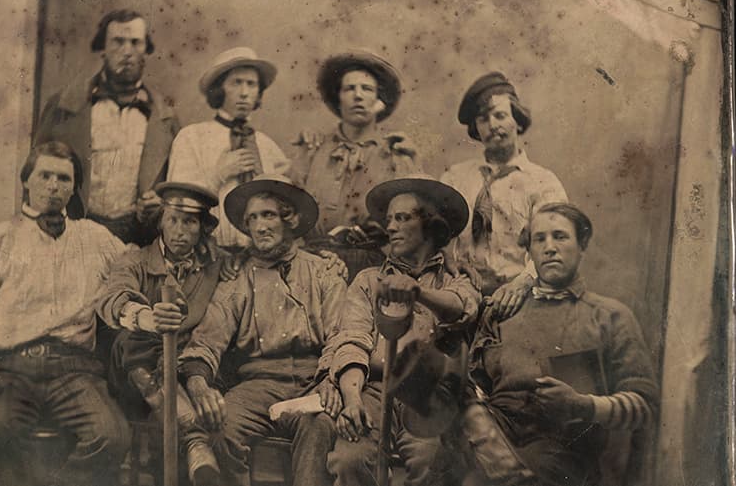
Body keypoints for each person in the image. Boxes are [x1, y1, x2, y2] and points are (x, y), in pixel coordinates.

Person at [0, 141, 129, 486]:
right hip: (10, 369)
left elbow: (135, 268)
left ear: (74, 188)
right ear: (26, 181)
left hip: (75, 372)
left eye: (64, 178)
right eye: (45, 175)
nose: (53, 185)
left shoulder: (94, 238)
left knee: (113, 437)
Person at [463, 203, 658, 486]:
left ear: (582, 245)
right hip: (490, 441)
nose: (550, 247)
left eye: (560, 236)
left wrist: (584, 405)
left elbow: (645, 407)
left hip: (561, 453)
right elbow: (474, 387)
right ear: (528, 250)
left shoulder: (608, 316)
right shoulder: (502, 311)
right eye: (539, 239)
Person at [178, 174, 345, 486]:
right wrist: (200, 386)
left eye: (268, 214)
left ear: (290, 219)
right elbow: (207, 339)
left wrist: (331, 381)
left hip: (314, 382)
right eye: (252, 218)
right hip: (259, 385)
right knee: (219, 428)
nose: (260, 226)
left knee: (319, 428)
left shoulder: (323, 271)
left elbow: (341, 334)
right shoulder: (238, 277)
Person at [324, 175, 481, 486]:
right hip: (372, 390)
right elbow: (352, 341)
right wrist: (352, 400)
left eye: (402, 218)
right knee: (349, 460)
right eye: (389, 219)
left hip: (429, 395)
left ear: (430, 226)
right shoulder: (369, 281)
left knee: (430, 460)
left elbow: (461, 307)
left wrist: (417, 292)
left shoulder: (456, 280)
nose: (390, 227)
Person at [95, 181, 226, 485]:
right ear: (160, 223)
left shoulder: (216, 264)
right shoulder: (135, 261)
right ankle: (195, 440)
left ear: (203, 228)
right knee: (132, 340)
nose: (180, 230)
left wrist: (327, 259)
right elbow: (112, 297)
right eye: (173, 219)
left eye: (190, 221)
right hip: (133, 378)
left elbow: (259, 259)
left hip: (186, 372)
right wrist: (145, 317)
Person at [34, 9, 180, 246]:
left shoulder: (165, 119)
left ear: (146, 50)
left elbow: (176, 194)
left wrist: (157, 208)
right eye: (118, 42)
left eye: (135, 43)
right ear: (102, 48)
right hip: (72, 236)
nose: (127, 52)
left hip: (137, 242)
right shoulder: (64, 108)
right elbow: (34, 176)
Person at [440, 71, 567, 318]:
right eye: (483, 119)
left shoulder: (542, 182)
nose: (493, 125)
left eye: (500, 115)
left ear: (517, 121)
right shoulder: (455, 177)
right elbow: (433, 235)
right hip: (460, 293)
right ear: (476, 129)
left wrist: (523, 283)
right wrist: (448, 261)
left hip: (519, 295)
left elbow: (554, 245)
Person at [288, 50, 421, 280]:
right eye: (349, 89)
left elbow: (413, 223)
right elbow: (289, 209)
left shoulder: (395, 154)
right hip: (310, 263)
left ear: (379, 101)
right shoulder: (314, 148)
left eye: (367, 89)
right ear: (338, 97)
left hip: (370, 268)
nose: (358, 96)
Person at [167, 47, 289, 251]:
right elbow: (176, 205)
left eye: (251, 84)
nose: (244, 93)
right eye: (236, 83)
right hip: (207, 253)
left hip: (259, 256)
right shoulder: (192, 137)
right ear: (219, 88)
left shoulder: (268, 146)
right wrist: (219, 174)